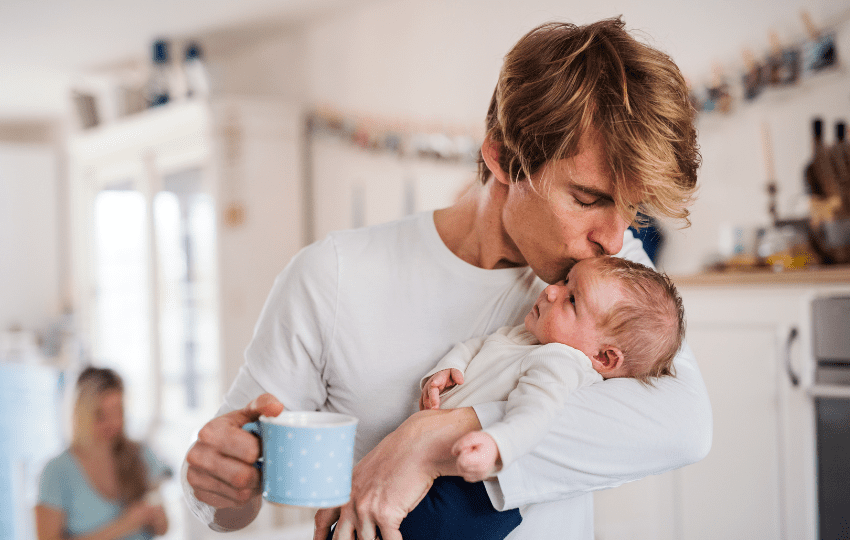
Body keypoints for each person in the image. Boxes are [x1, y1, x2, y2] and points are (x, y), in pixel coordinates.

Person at [183, 17, 711, 540]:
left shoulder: (609, 279)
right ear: (503, 157)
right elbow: (228, 502)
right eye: (588, 199)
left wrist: (428, 439)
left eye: (631, 208)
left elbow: (685, 426)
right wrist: (220, 486)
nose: (614, 239)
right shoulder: (332, 276)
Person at [394, 256, 683, 539]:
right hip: (448, 467)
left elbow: (536, 414)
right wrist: (450, 367)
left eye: (572, 300)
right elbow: (479, 345)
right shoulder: (530, 336)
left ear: (603, 357)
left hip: (471, 493)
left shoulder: (561, 362)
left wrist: (497, 445)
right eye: (566, 280)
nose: (551, 290)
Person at [35, 367, 171, 540]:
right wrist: (126, 523)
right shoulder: (56, 472)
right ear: (80, 414)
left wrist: (157, 519)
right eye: (100, 415)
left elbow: (163, 528)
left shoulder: (141, 454)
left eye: (118, 412)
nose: (112, 423)